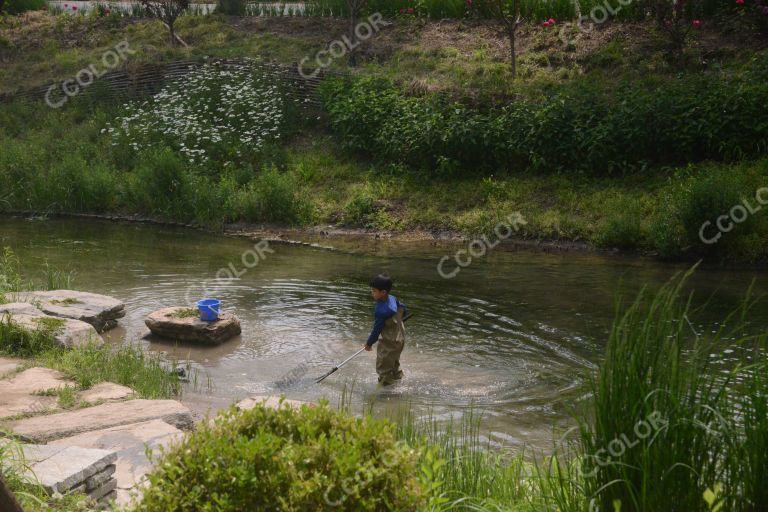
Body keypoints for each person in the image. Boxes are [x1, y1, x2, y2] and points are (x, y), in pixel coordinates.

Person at [363, 274, 407, 386]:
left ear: (383, 292)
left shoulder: (381, 310)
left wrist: (369, 343)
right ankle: (398, 381)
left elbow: (376, 330)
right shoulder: (392, 298)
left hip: (390, 342)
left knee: (383, 365)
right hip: (400, 338)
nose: (371, 293)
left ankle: (384, 390)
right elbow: (403, 308)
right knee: (394, 362)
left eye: (374, 291)